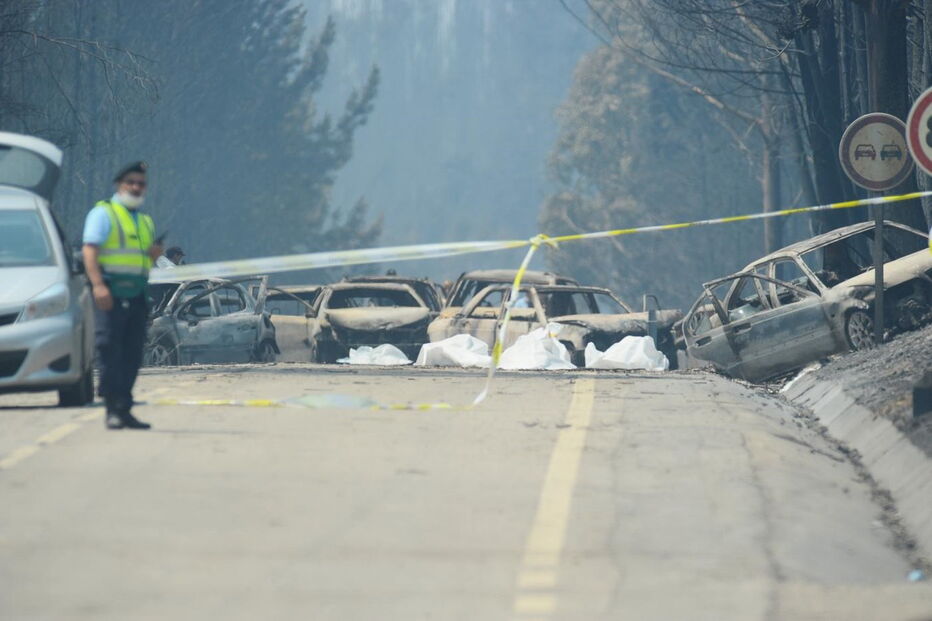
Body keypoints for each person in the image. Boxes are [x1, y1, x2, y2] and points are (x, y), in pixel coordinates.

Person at [82, 161, 162, 430]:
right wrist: (98, 286)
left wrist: (151, 257)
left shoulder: (145, 221)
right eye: (132, 182)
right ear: (120, 185)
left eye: (141, 183)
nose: (137, 187)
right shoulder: (104, 213)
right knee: (109, 348)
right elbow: (90, 251)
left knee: (132, 353)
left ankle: (125, 408)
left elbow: (141, 263)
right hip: (110, 293)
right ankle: (112, 408)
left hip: (137, 294)